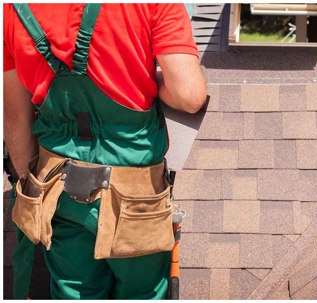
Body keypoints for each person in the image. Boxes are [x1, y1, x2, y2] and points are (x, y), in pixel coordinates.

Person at [3, 3, 206, 300]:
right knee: (144, 292)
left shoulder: (11, 9)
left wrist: (28, 190)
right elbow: (188, 95)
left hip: (58, 190)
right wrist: (146, 81)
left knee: (73, 291)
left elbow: (16, 116)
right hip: (137, 196)